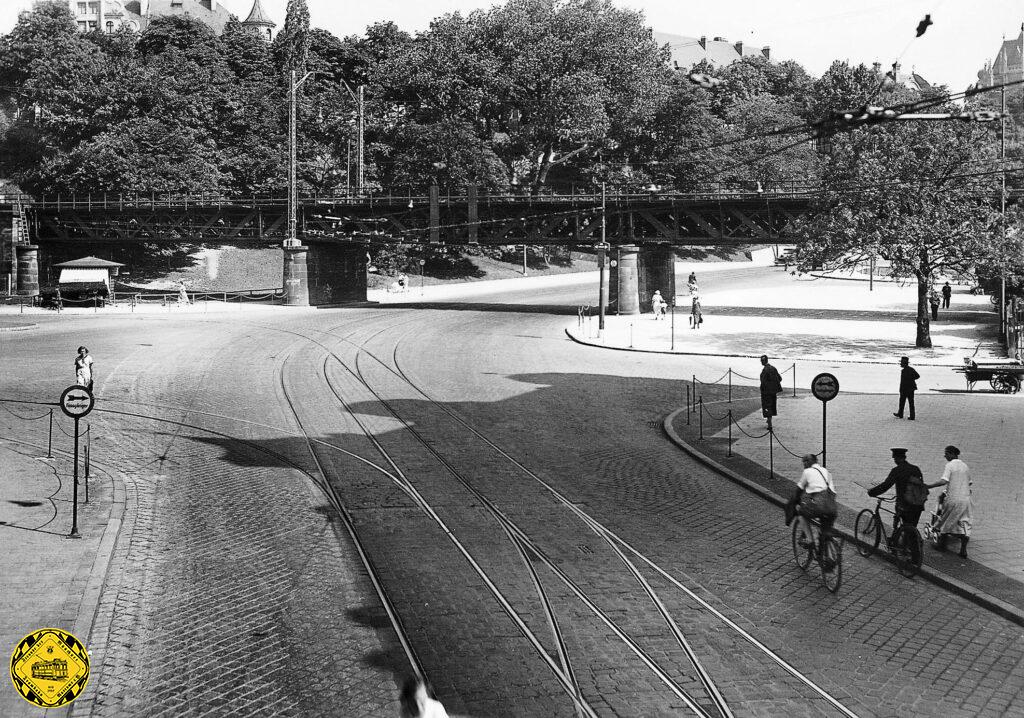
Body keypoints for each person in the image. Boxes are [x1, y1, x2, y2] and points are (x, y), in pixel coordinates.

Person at [868, 448, 926, 563]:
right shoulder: (916, 469)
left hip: (904, 505)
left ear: (896, 458)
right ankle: (902, 545)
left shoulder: (897, 470)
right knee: (911, 527)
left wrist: (872, 492)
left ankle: (914, 558)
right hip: (918, 505)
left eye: (894, 458)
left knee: (906, 528)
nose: (894, 460)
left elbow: (885, 485)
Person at [926, 445, 973, 558]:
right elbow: (969, 482)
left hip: (953, 499)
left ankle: (942, 545)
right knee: (964, 523)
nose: (945, 455)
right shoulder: (965, 466)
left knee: (946, 520)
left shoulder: (950, 465)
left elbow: (944, 481)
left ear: (952, 454)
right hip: (966, 499)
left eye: (946, 453)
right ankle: (963, 550)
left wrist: (929, 486)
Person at [792, 453, 837, 565]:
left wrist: (796, 503)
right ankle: (826, 556)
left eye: (804, 463)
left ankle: (810, 540)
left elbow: (798, 490)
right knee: (825, 530)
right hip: (832, 508)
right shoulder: (827, 472)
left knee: (801, 514)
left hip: (818, 506)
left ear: (807, 463)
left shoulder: (807, 472)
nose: (803, 465)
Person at [759, 355, 783, 429]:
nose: (761, 362)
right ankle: (769, 421)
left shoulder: (765, 370)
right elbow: (780, 378)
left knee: (767, 406)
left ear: (763, 361)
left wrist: (764, 388)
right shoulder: (773, 368)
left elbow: (763, 381)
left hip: (766, 392)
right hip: (773, 391)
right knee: (772, 406)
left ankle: (770, 424)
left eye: (761, 361)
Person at [893, 356, 919, 420]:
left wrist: (910, 379)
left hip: (905, 389)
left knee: (902, 402)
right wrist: (912, 379)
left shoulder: (904, 371)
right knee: (910, 403)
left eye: (901, 363)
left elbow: (903, 382)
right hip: (911, 388)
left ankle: (901, 414)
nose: (900, 364)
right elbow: (917, 376)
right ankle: (911, 416)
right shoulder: (911, 369)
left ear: (904, 363)